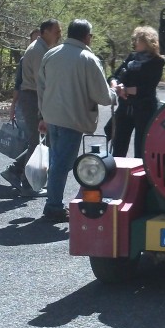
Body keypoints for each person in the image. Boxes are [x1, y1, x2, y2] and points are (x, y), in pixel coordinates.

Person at [37, 19, 117, 222]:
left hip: (52, 117)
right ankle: (53, 206)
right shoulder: (89, 59)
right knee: (61, 164)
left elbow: (41, 88)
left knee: (58, 160)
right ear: (86, 36)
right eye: (91, 35)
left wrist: (43, 115)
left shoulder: (51, 54)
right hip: (72, 119)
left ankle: (55, 202)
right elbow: (103, 97)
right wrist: (114, 93)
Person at [1, 20, 62, 196]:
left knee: (43, 140)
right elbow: (41, 83)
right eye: (56, 31)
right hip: (33, 97)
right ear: (45, 32)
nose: (59, 35)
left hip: (35, 97)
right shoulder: (38, 51)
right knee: (37, 140)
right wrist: (45, 110)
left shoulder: (42, 48)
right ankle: (27, 184)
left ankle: (16, 171)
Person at [109, 26, 165, 158]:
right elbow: (113, 76)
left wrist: (125, 90)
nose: (134, 42)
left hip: (144, 109)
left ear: (147, 42)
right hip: (125, 108)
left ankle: (141, 177)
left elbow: (147, 89)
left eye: (137, 40)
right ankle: (117, 176)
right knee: (118, 147)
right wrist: (116, 86)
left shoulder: (157, 61)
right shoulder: (132, 57)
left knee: (141, 149)